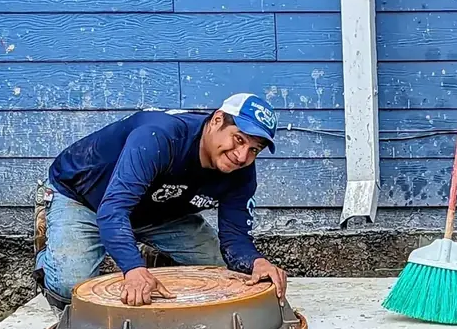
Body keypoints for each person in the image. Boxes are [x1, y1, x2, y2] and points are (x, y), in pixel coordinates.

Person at [36, 93, 288, 309]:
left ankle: (157, 260)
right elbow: (114, 210)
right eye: (239, 139)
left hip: (159, 209)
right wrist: (133, 269)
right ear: (217, 120)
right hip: (86, 197)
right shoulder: (159, 136)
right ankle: (49, 253)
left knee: (225, 272)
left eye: (254, 149)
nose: (242, 155)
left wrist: (257, 262)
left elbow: (235, 237)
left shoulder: (240, 171)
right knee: (71, 290)